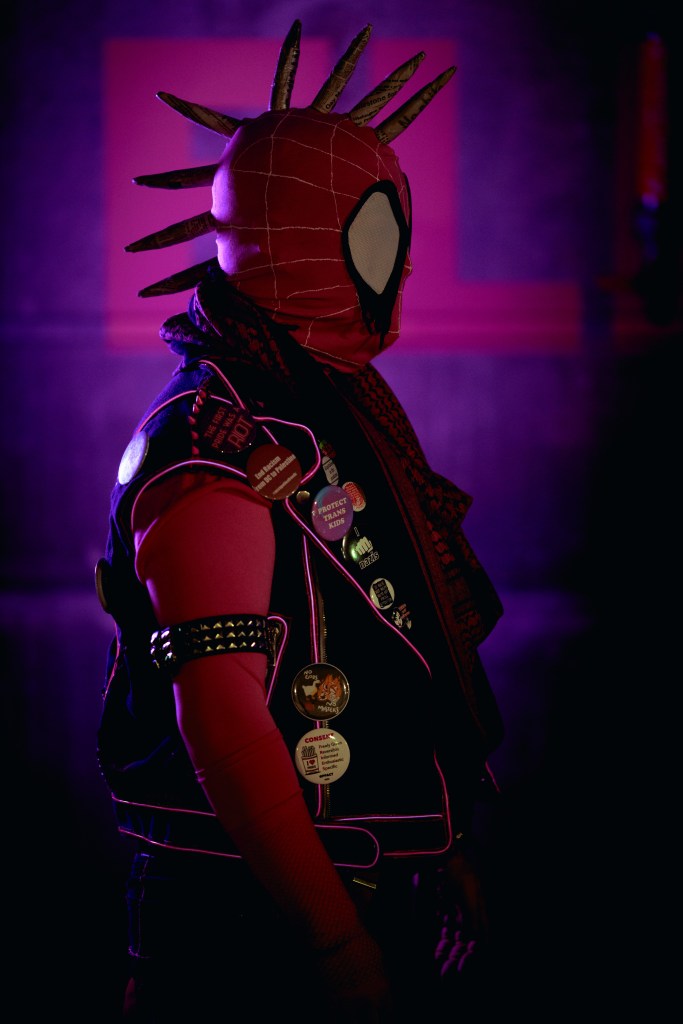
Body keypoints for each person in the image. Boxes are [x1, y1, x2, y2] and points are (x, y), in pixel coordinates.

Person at [96, 20, 505, 1022]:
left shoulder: (342, 412)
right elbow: (222, 717)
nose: (392, 265)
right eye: (370, 232)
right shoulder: (208, 443)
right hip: (246, 917)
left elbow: (390, 634)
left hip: (368, 881)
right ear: (296, 234)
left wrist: (434, 835)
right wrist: (331, 942)